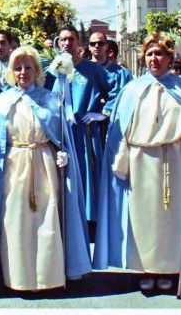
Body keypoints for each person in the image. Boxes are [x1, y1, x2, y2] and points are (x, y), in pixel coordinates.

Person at [93, 33, 181, 291]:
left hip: (176, 161)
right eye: (150, 53)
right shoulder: (132, 90)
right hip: (140, 163)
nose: (155, 59)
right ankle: (147, 269)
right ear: (144, 56)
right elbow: (120, 131)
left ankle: (171, 269)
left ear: (170, 57)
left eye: (160, 54)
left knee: (172, 220)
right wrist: (119, 161)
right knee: (142, 219)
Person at [0, 46, 91, 291]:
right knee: (15, 221)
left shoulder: (50, 99)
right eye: (18, 68)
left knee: (47, 220)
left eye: (28, 67)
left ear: (37, 71)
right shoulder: (3, 101)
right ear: (12, 72)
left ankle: (48, 278)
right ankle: (18, 278)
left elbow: (60, 135)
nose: (23, 72)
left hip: (45, 163)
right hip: (13, 165)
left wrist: (63, 153)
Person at [44, 26, 112, 223]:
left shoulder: (93, 70)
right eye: (63, 39)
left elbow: (116, 92)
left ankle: (88, 222)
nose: (67, 43)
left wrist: (102, 113)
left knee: (85, 177)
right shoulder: (52, 71)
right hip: (59, 134)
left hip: (85, 134)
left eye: (71, 39)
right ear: (58, 43)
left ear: (78, 42)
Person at [88, 32, 133, 117]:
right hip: (84, 121)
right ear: (89, 47)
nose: (96, 46)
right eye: (93, 43)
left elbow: (128, 101)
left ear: (106, 46)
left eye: (100, 43)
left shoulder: (122, 74)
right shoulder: (81, 71)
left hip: (113, 121)